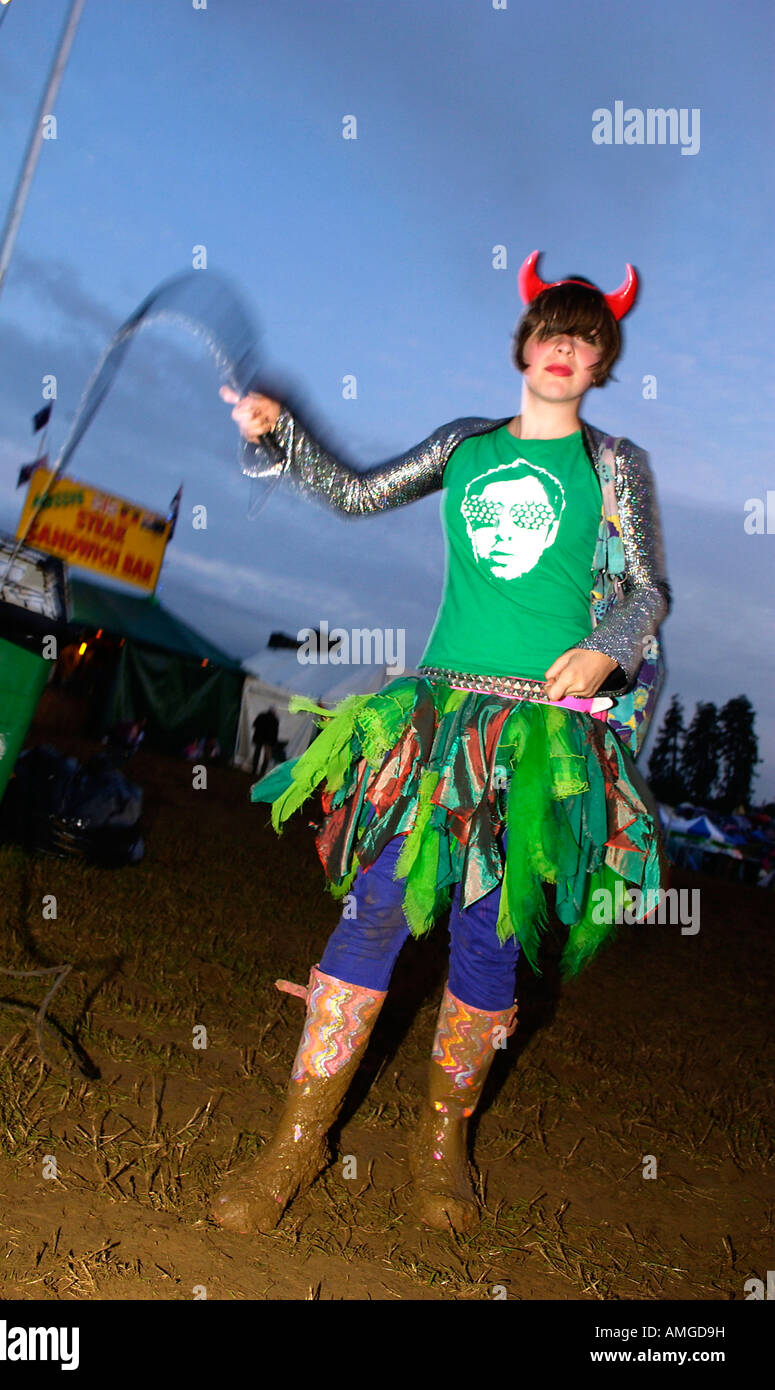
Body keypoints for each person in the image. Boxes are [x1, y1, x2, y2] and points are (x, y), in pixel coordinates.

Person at [212, 251, 670, 1235]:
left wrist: (605, 648)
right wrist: (280, 434)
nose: (564, 348)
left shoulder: (612, 463)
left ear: (600, 362)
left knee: (489, 939)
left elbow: (647, 591)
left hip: (538, 738)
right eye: (552, 328)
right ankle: (296, 1144)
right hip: (438, 721)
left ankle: (440, 1149)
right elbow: (354, 494)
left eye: (585, 338)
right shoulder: (464, 444)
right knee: (375, 907)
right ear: (525, 342)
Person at [251, 707, 279, 778]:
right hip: (268, 741)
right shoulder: (275, 720)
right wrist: (273, 743)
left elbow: (254, 725)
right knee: (266, 757)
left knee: (257, 754)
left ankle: (254, 770)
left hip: (259, 738)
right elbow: (275, 733)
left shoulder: (261, 716)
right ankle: (261, 773)